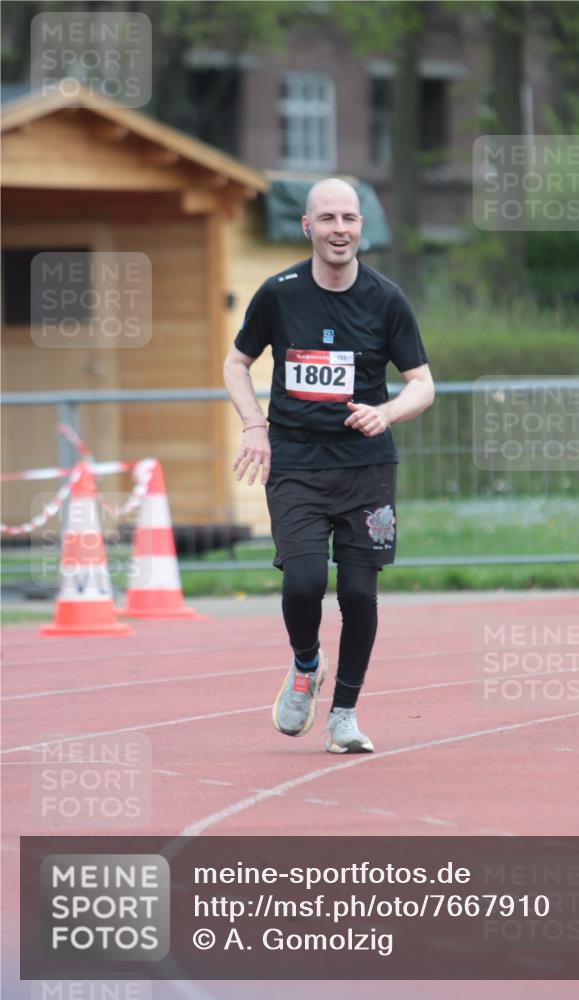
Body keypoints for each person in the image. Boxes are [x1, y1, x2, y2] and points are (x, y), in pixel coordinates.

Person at [223, 177, 434, 754]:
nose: (340, 229)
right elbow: (236, 363)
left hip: (366, 468)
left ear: (361, 227)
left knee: (360, 595)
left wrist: (386, 414)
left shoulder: (387, 298)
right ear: (307, 227)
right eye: (329, 219)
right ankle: (305, 664)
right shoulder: (279, 292)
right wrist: (253, 426)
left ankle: (344, 714)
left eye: (351, 218)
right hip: (295, 462)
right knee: (305, 581)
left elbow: (423, 384)